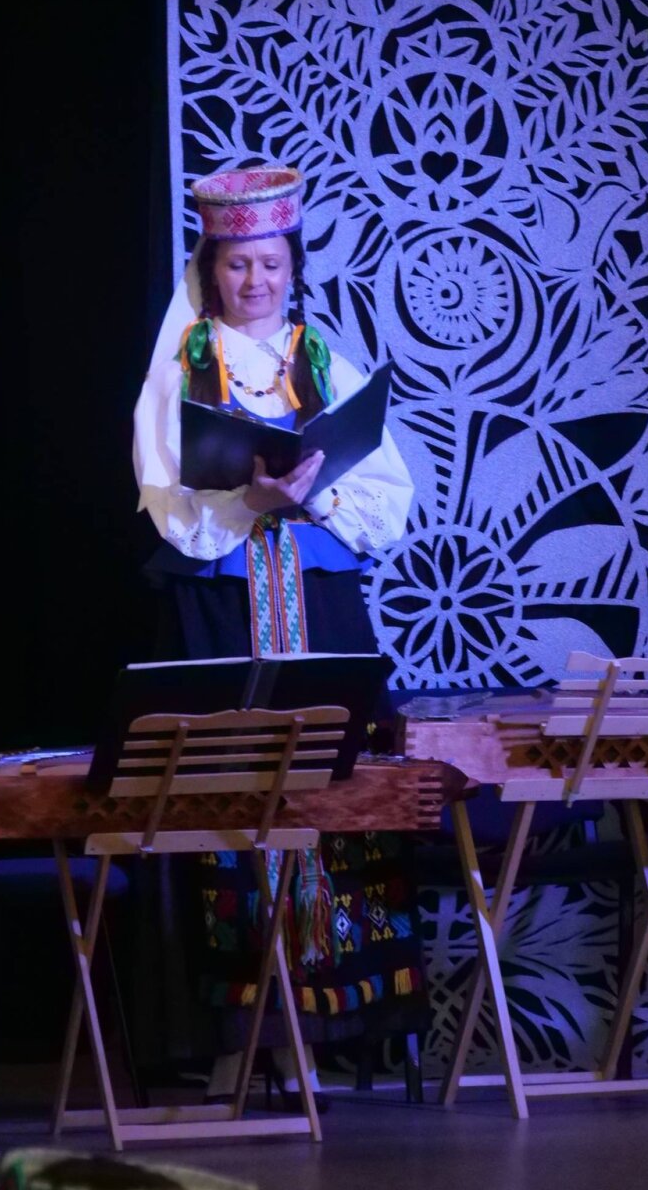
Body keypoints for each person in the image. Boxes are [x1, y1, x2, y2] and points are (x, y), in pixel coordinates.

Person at [133, 164, 425, 1095]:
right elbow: (166, 497)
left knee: (334, 787)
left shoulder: (323, 360)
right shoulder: (181, 367)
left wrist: (314, 493)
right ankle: (239, 1034)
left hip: (318, 600)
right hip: (223, 606)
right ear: (210, 269)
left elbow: (386, 495)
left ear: (292, 267)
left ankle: (329, 1025)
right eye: (236, 264)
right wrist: (245, 502)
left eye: (269, 263)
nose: (254, 280)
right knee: (228, 795)